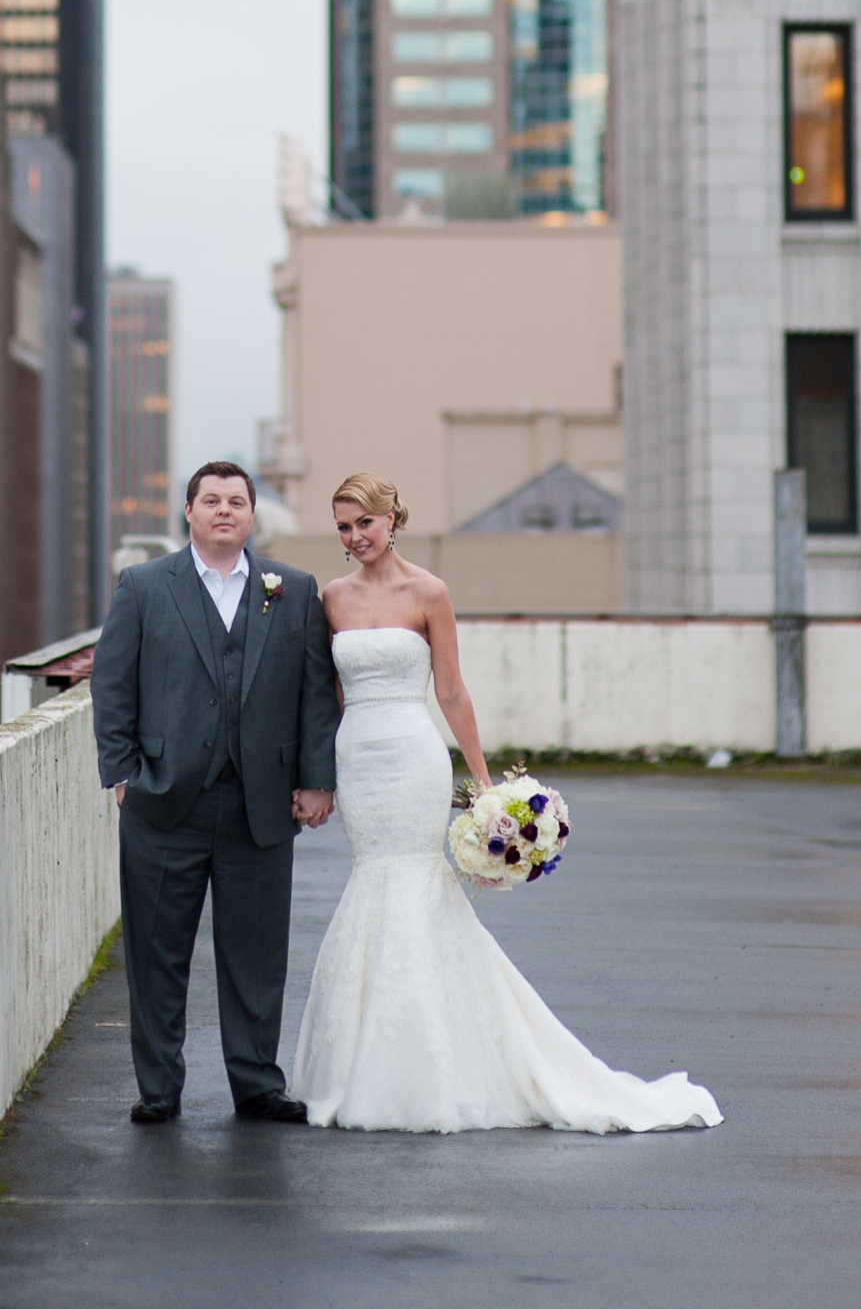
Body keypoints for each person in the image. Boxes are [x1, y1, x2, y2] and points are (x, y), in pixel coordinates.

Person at [292, 472, 720, 1134]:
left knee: (415, 881)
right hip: (359, 759)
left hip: (413, 755)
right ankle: (361, 1068)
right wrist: (318, 770)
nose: (354, 538)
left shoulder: (429, 591)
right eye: (344, 527)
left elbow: (453, 692)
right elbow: (329, 697)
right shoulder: (331, 599)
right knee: (372, 880)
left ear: (392, 520)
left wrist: (485, 782)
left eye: (364, 523)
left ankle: (430, 1071)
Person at [89, 459, 339, 1124]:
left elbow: (316, 695)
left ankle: (257, 1083)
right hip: (164, 802)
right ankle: (160, 1088)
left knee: (256, 955)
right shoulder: (143, 586)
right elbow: (112, 684)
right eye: (211, 500)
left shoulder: (293, 590)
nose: (224, 509)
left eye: (236, 500)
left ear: (252, 516)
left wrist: (317, 780)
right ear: (190, 513)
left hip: (261, 805)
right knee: (157, 952)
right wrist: (122, 771)